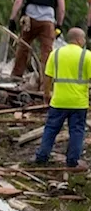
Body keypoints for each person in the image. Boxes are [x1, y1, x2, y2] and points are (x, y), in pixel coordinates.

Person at [35, 27, 91, 170]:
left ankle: (42, 156)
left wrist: (47, 93)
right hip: (79, 103)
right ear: (79, 39)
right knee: (77, 131)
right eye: (83, 39)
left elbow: (48, 76)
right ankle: (72, 160)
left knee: (51, 129)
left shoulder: (56, 53)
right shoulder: (87, 56)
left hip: (58, 100)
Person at [9, 0, 66, 80]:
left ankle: (16, 77)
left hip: (30, 21)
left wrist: (12, 19)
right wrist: (59, 25)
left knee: (23, 48)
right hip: (47, 22)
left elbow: (19, 1)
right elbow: (61, 8)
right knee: (46, 53)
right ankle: (44, 83)